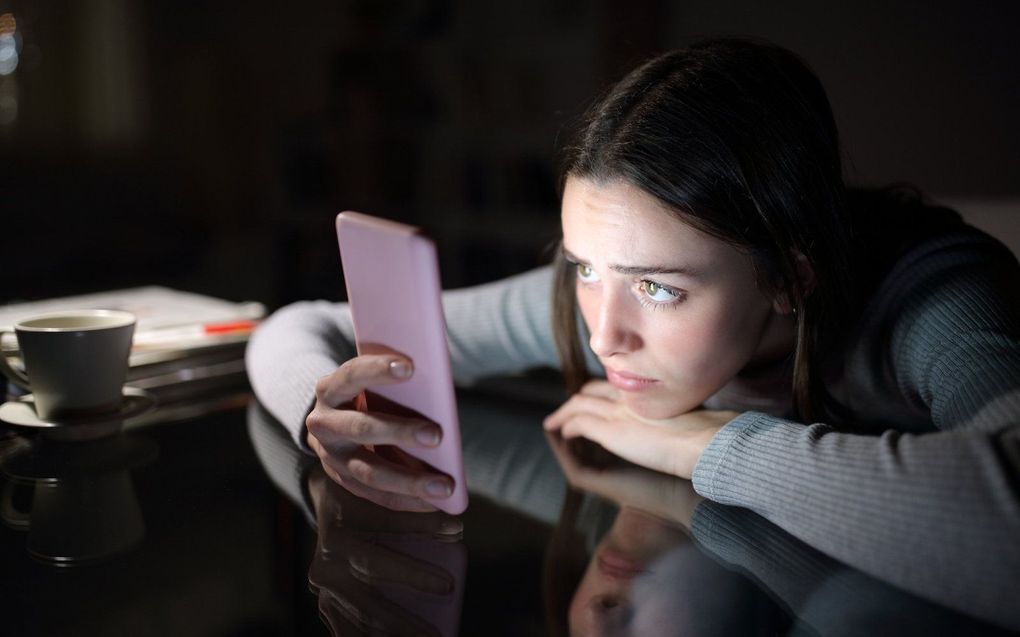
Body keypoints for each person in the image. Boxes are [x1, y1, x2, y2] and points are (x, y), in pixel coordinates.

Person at [246, 37, 1020, 622]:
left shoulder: (934, 298)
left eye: (657, 286)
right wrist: (317, 407)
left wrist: (700, 442)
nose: (605, 332)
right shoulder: (605, 305)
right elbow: (303, 326)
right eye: (583, 266)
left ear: (791, 278)